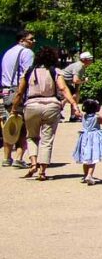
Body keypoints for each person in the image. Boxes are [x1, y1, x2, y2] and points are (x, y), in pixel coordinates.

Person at [11, 46, 80, 180]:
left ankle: (33, 163)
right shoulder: (55, 71)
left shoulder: (29, 71)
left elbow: (20, 92)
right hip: (51, 106)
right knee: (47, 139)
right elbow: (63, 88)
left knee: (31, 137)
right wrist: (74, 104)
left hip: (31, 105)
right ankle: (42, 171)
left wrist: (14, 108)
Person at [1, 30, 35, 167]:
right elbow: (27, 75)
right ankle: (19, 158)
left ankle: (6, 158)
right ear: (22, 40)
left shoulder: (8, 52)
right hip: (18, 91)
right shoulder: (27, 53)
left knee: (9, 125)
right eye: (31, 39)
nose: (34, 41)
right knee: (22, 125)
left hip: (5, 90)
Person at [72, 98, 102, 185]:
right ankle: (89, 175)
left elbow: (76, 113)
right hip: (94, 138)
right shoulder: (97, 117)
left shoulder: (83, 116)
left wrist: (75, 107)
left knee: (86, 158)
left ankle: (85, 175)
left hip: (84, 138)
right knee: (93, 158)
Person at [60, 51, 94, 121]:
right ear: (84, 60)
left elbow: (76, 82)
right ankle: (58, 113)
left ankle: (73, 116)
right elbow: (75, 80)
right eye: (90, 58)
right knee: (67, 98)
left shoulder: (82, 66)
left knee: (75, 96)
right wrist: (85, 80)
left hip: (67, 82)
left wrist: (77, 91)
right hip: (62, 82)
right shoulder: (79, 66)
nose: (91, 60)